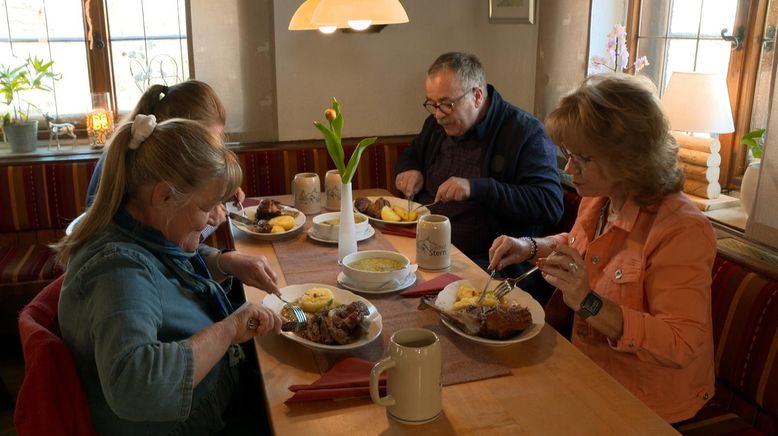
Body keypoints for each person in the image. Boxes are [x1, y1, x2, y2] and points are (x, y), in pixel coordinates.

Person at [488, 73, 715, 423]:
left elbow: (681, 342)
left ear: (630, 158)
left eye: (583, 158)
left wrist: (590, 303)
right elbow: (581, 249)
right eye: (568, 154)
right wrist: (530, 246)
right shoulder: (601, 200)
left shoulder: (682, 229)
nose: (568, 169)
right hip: (587, 368)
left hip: (647, 404)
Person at [55, 115, 282, 435]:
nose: (211, 219)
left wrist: (224, 262)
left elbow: (162, 263)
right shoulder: (117, 273)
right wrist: (228, 330)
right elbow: (136, 386)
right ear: (164, 196)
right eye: (207, 206)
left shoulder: (131, 227)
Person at [395, 52, 563, 300]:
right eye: (432, 103)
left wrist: (477, 188)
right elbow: (412, 155)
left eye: (446, 103)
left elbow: (550, 204)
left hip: (490, 263)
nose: (438, 114)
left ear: (477, 96)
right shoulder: (436, 126)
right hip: (427, 249)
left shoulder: (525, 132)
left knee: (407, 303)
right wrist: (409, 169)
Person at [85, 80, 244, 233]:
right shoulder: (139, 172)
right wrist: (205, 215)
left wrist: (213, 191)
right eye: (205, 144)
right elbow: (171, 242)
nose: (208, 153)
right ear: (177, 134)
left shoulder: (139, 149)